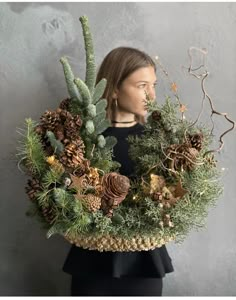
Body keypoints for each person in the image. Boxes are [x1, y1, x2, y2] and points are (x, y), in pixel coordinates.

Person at [63, 46, 174, 296]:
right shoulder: (85, 143)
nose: (152, 96)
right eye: (142, 86)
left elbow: (165, 197)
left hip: (144, 264)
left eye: (153, 85)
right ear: (114, 88)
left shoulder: (157, 143)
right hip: (92, 264)